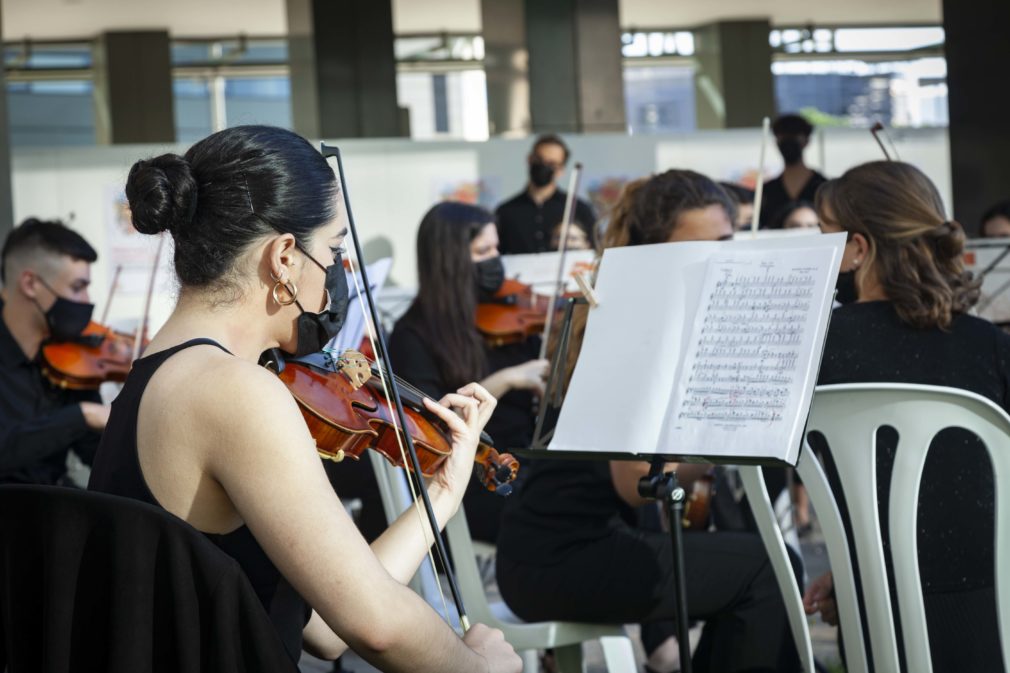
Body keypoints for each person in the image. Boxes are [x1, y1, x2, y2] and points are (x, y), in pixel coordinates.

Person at [87, 126, 521, 673]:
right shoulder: (234, 391)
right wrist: (481, 666)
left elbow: (324, 627)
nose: (339, 273)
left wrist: (442, 493)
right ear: (285, 257)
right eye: (335, 250)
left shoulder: (160, 373)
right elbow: (377, 627)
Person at [496, 170, 801, 673]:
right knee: (769, 567)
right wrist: (725, 429)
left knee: (759, 565)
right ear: (654, 256)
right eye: (696, 254)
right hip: (558, 556)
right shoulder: (627, 321)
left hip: (586, 542)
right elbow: (637, 483)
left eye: (725, 245)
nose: (716, 265)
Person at [804, 160, 1005, 672]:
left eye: (827, 236)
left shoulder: (812, 353)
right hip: (994, 613)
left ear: (860, 249)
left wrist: (857, 569)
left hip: (873, 615)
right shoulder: (990, 347)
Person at [388, 201, 549, 543]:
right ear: (450, 260)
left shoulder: (503, 319)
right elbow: (432, 431)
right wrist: (506, 379)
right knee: (555, 510)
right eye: (483, 250)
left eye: (497, 248)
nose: (496, 260)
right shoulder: (412, 336)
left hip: (524, 465)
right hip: (474, 485)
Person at [0, 218, 110, 485]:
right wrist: (81, 415)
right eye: (77, 287)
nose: (87, 301)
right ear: (30, 284)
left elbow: (97, 458)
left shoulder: (71, 358)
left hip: (54, 510)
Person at [495, 134, 597, 254]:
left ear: (561, 170)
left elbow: (593, 251)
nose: (543, 166)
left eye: (551, 164)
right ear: (529, 159)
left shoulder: (578, 209)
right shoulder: (505, 212)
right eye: (539, 160)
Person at [759, 114, 827, 229]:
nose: (788, 143)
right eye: (783, 137)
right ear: (777, 142)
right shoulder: (767, 191)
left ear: (807, 141)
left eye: (794, 136)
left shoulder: (824, 187)